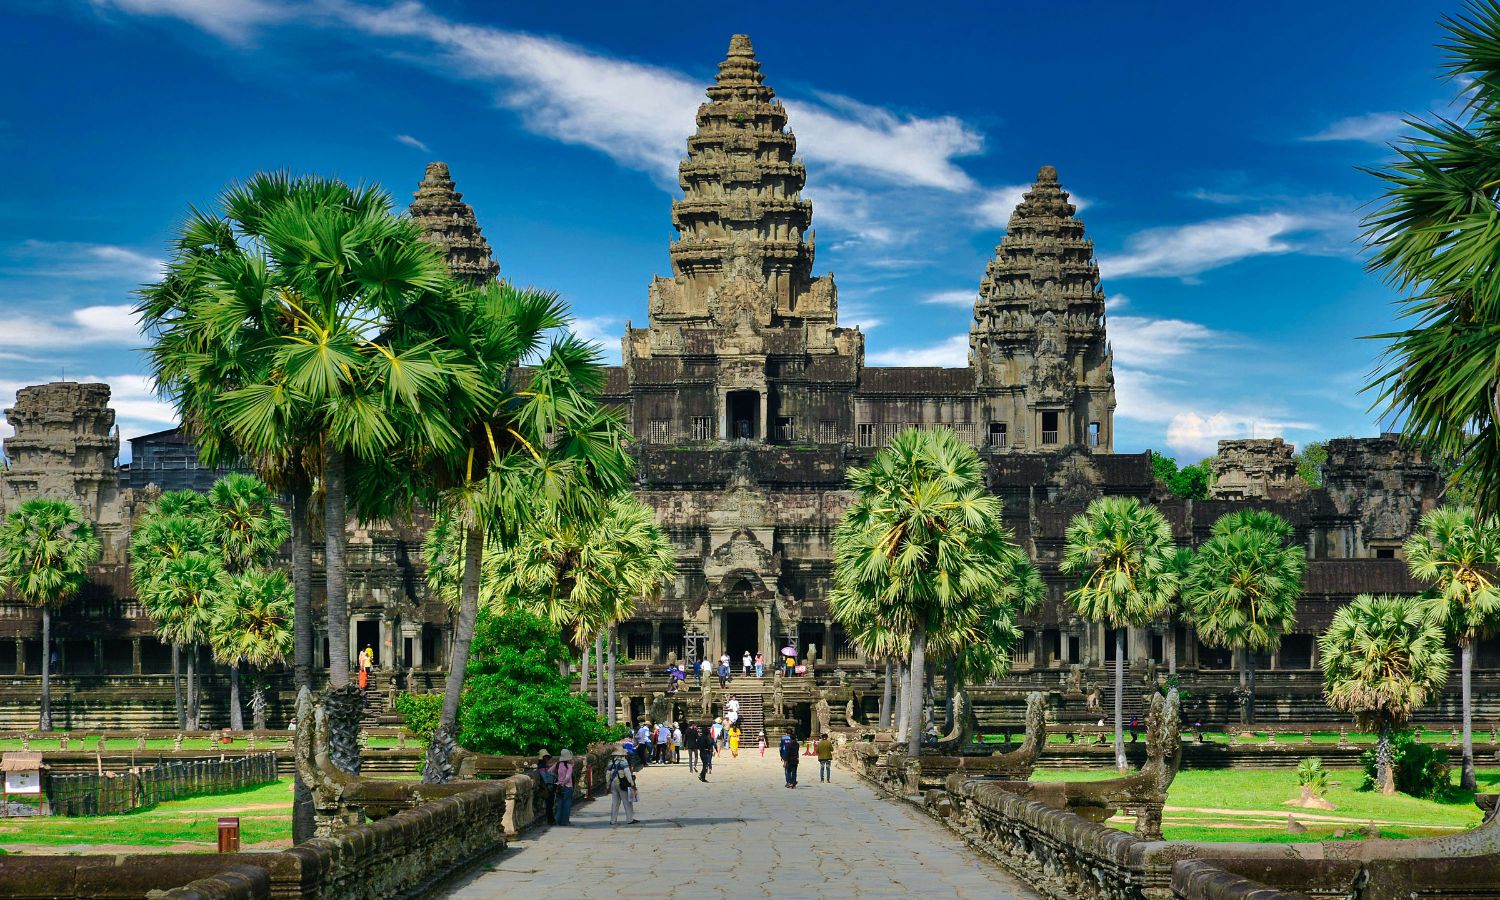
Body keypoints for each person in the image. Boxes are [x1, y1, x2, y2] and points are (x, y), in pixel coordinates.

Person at [607, 747, 636, 826]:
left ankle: (613, 820)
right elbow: (627, 773)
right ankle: (629, 819)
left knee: (615, 802)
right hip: (622, 783)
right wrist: (632, 784)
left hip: (613, 783)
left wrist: (607, 785)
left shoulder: (611, 762)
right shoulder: (624, 762)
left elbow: (608, 774)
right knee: (627, 802)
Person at [550, 749, 576, 825]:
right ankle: (565, 822)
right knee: (567, 804)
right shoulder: (569, 766)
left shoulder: (557, 764)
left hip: (558, 786)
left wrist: (558, 778)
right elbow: (568, 777)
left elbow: (549, 771)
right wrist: (563, 783)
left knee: (559, 804)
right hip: (567, 786)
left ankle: (558, 820)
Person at [536, 750, 557, 825]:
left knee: (550, 804)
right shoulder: (541, 765)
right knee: (549, 805)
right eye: (545, 757)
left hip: (550, 785)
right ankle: (550, 820)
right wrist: (548, 785)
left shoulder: (544, 765)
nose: (547, 758)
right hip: (547, 787)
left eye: (547, 757)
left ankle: (551, 819)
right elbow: (544, 777)